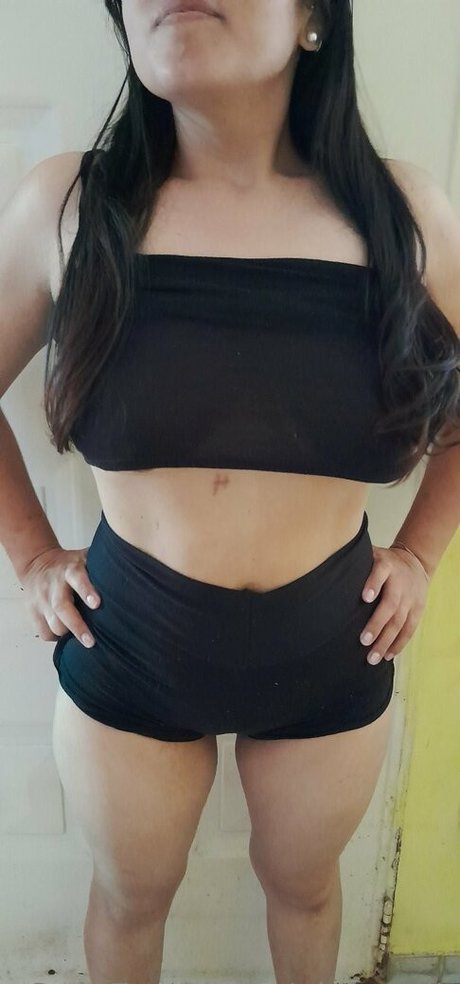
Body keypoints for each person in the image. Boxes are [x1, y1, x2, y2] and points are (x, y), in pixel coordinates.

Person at [1, 1, 459, 982]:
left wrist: (421, 553)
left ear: (313, 19)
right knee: (129, 902)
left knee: (305, 893)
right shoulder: (66, 207)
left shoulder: (406, 218)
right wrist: (32, 554)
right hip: (128, 644)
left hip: (331, 644)